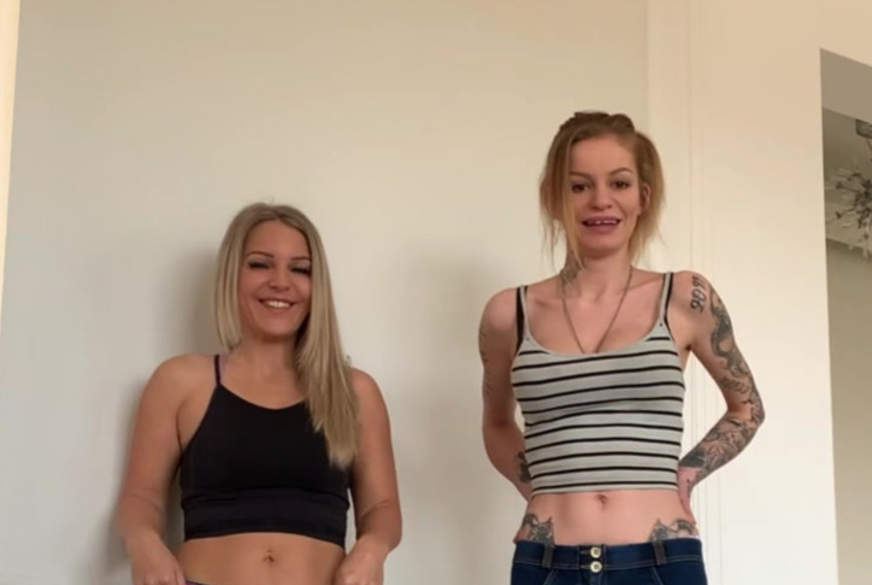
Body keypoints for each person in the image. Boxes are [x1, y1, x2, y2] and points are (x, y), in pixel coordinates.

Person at [478, 112, 764, 584]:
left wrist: (686, 476)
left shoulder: (685, 297)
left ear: (642, 196)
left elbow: (747, 407)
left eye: (619, 183)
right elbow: (496, 423)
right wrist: (538, 489)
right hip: (547, 563)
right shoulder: (508, 313)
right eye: (578, 186)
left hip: (662, 560)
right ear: (552, 197)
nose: (601, 200)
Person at [116, 203, 401, 585]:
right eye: (260, 264)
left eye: (300, 269)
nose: (280, 282)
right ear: (232, 274)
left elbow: (382, 506)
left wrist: (372, 549)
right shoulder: (179, 382)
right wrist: (144, 544)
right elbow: (141, 499)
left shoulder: (354, 392)